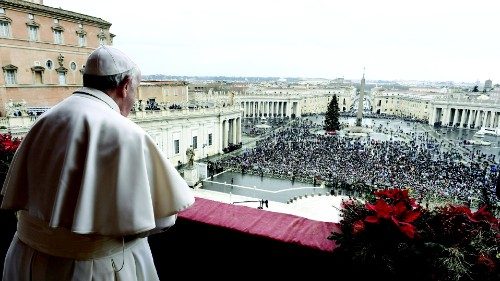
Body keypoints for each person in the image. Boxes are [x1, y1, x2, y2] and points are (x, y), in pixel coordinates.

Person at [0, 46, 195, 280]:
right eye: (135, 91)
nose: (134, 100)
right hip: (91, 270)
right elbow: (161, 220)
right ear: (124, 86)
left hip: (26, 259)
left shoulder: (43, 121)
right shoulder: (127, 134)